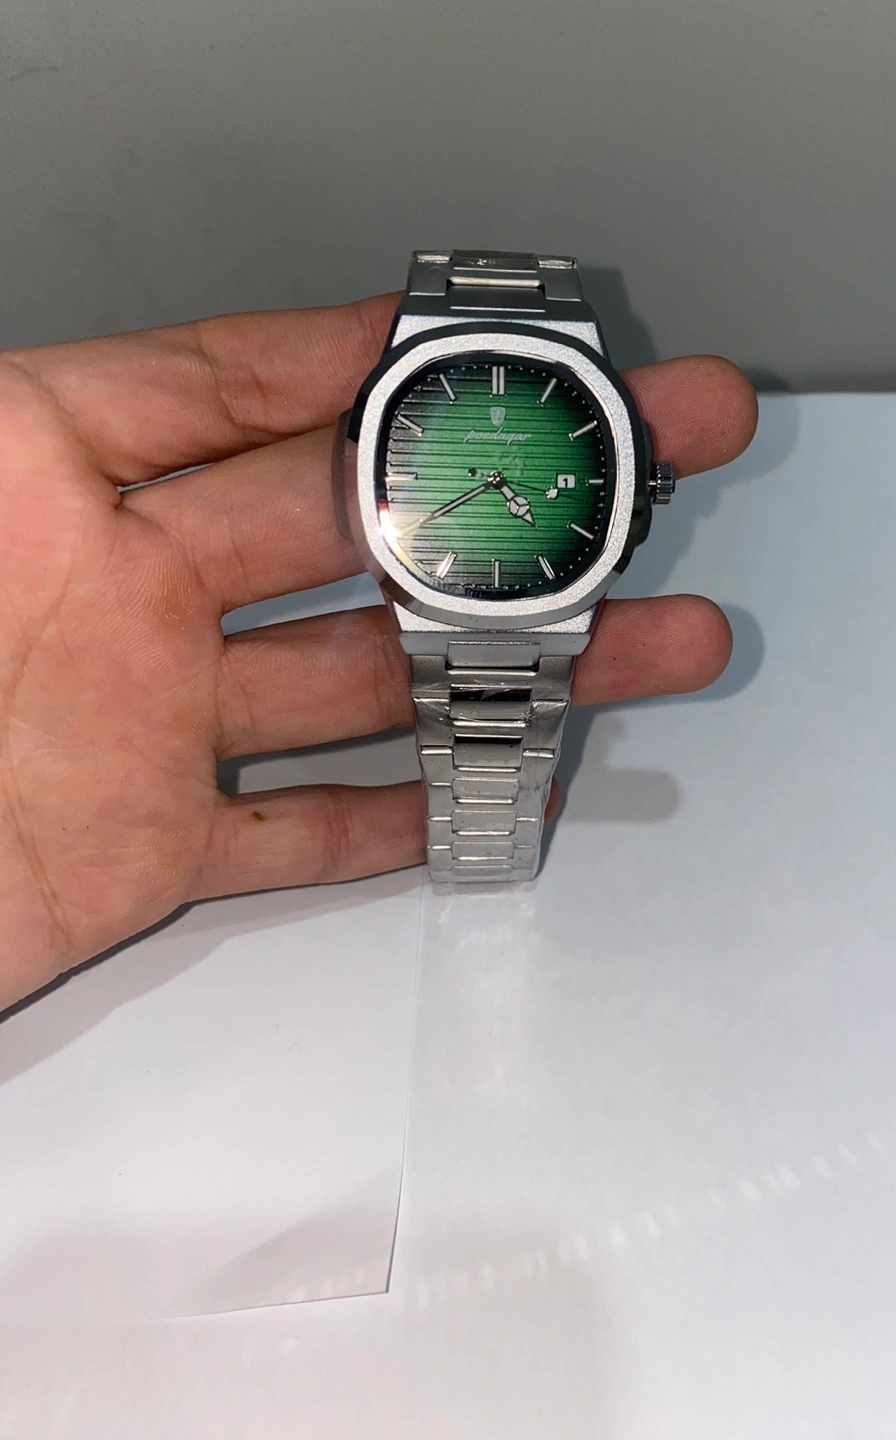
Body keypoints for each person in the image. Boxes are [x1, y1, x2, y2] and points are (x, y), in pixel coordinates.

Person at [0, 290, 757, 1012]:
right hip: (443, 585)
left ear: (640, 487)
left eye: (505, 479)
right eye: (491, 477)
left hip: (542, 598)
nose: (499, 481)